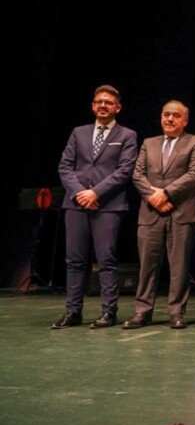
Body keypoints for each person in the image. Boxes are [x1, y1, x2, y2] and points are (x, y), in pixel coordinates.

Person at [53, 85, 138, 329]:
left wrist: (95, 192)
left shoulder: (127, 135)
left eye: (108, 103)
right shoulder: (79, 132)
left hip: (108, 205)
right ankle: (73, 312)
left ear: (117, 107)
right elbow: (65, 166)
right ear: (92, 105)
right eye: (99, 101)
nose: (103, 105)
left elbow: (124, 171)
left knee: (106, 260)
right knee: (75, 261)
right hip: (76, 203)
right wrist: (80, 193)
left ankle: (109, 312)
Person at [124, 100, 195, 330]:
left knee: (179, 266)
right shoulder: (149, 143)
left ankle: (177, 312)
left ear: (185, 120)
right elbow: (137, 174)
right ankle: (142, 312)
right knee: (147, 266)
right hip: (150, 212)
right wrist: (154, 198)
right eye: (166, 115)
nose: (170, 119)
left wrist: (168, 194)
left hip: (181, 213)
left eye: (175, 116)